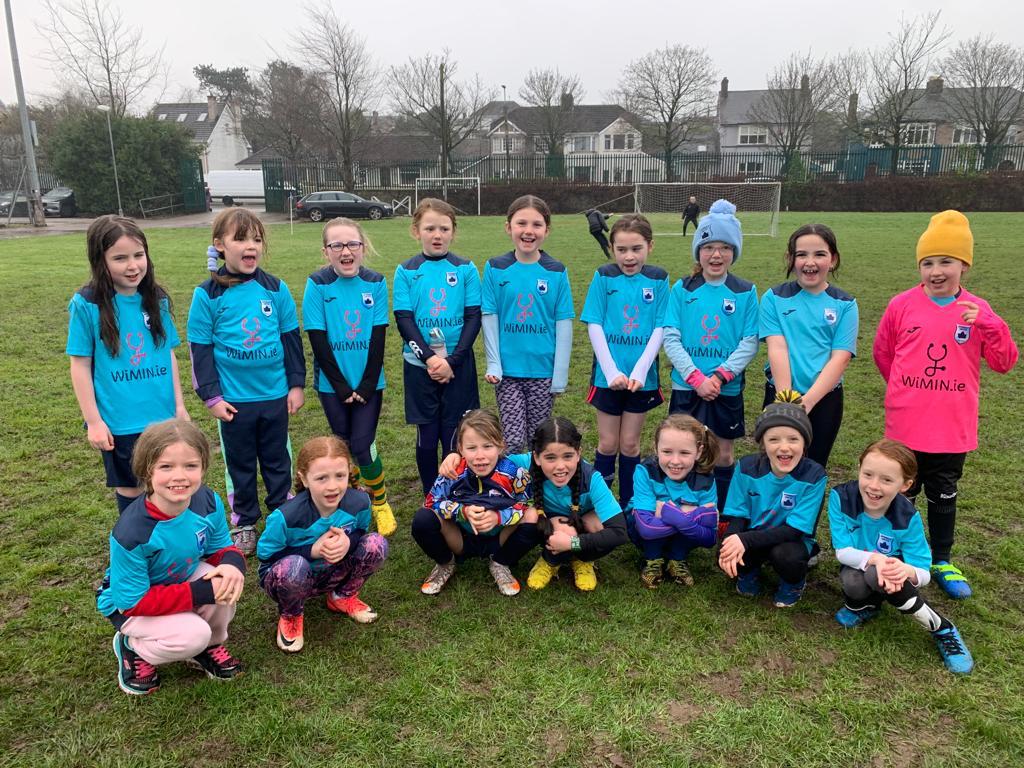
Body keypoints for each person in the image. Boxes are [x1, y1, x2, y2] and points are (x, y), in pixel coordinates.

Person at [873, 210, 1018, 599]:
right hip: (906, 424)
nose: (936, 271)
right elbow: (884, 354)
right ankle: (899, 552)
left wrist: (990, 324)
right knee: (899, 490)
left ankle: (941, 558)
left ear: (964, 266)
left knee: (943, 492)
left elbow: (1005, 362)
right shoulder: (901, 305)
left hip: (952, 426)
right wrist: (906, 391)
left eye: (946, 262)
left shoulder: (977, 311)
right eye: (928, 263)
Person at [97, 419, 245, 695]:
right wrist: (198, 592)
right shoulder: (133, 532)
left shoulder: (207, 501)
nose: (180, 476)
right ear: (147, 470)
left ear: (203, 466)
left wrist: (232, 565)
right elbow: (132, 601)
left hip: (177, 577)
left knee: (224, 585)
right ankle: (134, 648)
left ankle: (209, 647)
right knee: (192, 634)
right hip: (129, 603)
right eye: (166, 466)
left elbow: (220, 548)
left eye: (190, 465)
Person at [188, 209, 305, 555]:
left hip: (274, 395)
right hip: (234, 401)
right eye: (240, 238)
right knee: (239, 462)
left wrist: (296, 385)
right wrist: (212, 397)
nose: (250, 245)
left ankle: (283, 513)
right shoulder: (207, 295)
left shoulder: (276, 289)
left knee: (277, 459)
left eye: (256, 238)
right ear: (220, 245)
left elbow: (291, 340)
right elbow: (201, 350)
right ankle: (244, 522)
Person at [67, 215, 189, 515]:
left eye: (138, 255)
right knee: (133, 491)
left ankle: (171, 551)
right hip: (120, 422)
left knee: (168, 483)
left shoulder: (155, 298)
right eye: (120, 258)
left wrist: (180, 406)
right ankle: (135, 552)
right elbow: (79, 365)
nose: (133, 266)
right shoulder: (87, 304)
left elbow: (167, 354)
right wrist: (94, 421)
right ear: (100, 260)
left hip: (162, 418)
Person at [828, 439, 974, 674]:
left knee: (881, 573)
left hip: (891, 574)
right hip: (860, 566)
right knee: (853, 582)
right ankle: (868, 606)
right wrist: (876, 558)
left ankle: (942, 628)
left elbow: (923, 572)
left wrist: (907, 571)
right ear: (859, 469)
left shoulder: (907, 517)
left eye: (887, 480)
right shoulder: (840, 497)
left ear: (905, 485)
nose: (874, 486)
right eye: (868, 474)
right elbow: (843, 552)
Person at [663, 199, 759, 513]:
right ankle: (683, 505)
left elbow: (750, 341)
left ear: (734, 252)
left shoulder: (745, 291)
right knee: (682, 449)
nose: (716, 255)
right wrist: (696, 377)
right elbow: (671, 337)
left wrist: (719, 376)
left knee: (724, 454)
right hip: (687, 386)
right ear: (698, 252)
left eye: (725, 248)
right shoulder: (683, 288)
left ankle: (718, 511)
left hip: (725, 387)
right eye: (708, 247)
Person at [303, 217, 396, 536]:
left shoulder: (376, 282)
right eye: (337, 245)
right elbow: (317, 337)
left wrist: (368, 383)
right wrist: (341, 385)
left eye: (352, 244)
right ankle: (355, 499)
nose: (346, 251)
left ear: (362, 247)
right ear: (326, 251)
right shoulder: (317, 283)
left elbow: (379, 334)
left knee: (362, 442)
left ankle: (381, 502)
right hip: (333, 385)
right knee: (343, 445)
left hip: (370, 383)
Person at [257, 436, 388, 653]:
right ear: (304, 479)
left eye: (340, 476)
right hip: (290, 578)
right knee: (294, 566)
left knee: (376, 543)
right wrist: (312, 551)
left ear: (349, 472)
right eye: (321, 478)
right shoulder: (285, 517)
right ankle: (291, 614)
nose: (332, 486)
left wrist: (349, 542)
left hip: (334, 572)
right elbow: (266, 558)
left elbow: (361, 532)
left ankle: (342, 596)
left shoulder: (360, 502)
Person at [393, 198, 482, 493]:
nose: (437, 235)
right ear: (415, 231)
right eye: (429, 228)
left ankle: (455, 490)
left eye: (444, 228)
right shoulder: (405, 271)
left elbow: (473, 318)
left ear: (453, 232)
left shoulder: (466, 269)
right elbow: (404, 320)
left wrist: (452, 361)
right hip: (420, 367)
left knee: (456, 435)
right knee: (428, 436)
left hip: (459, 366)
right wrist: (431, 359)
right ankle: (432, 494)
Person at [581, 213, 669, 507]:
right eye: (621, 250)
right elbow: (594, 323)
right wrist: (611, 370)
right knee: (607, 443)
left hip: (641, 380)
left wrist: (641, 370)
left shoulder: (658, 279)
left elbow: (660, 327)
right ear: (611, 248)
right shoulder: (604, 276)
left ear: (650, 246)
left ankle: (630, 504)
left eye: (636, 249)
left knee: (630, 444)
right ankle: (601, 505)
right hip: (608, 378)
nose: (629, 256)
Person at [759, 224, 858, 468]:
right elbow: (777, 348)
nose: (809, 262)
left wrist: (809, 402)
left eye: (819, 254)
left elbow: (840, 358)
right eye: (801, 254)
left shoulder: (845, 304)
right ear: (790, 259)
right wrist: (786, 401)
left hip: (825, 400)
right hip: (780, 395)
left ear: (833, 259)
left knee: (813, 469)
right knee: (776, 466)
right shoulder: (774, 298)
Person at [482, 196, 574, 452]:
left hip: (543, 372)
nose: (528, 231)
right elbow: (489, 318)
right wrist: (494, 363)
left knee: (539, 439)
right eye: (521, 223)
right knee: (512, 441)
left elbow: (563, 323)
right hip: (508, 373)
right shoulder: (495, 268)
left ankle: (537, 488)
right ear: (508, 227)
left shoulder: (556, 270)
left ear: (547, 230)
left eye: (537, 224)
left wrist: (560, 373)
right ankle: (515, 489)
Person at [412, 409, 537, 596]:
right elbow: (431, 502)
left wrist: (498, 517)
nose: (480, 455)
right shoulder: (452, 471)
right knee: (423, 519)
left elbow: (529, 502)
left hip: (500, 537)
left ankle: (501, 562)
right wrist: (462, 511)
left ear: (501, 445)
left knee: (534, 517)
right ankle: (445, 563)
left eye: (488, 446)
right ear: (460, 449)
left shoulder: (514, 473)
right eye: (472, 448)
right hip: (460, 538)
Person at [719, 402, 827, 608]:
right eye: (774, 439)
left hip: (790, 540)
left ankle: (793, 583)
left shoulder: (814, 476)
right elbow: (737, 515)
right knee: (726, 548)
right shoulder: (746, 467)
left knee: (787, 557)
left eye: (793, 439)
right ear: (763, 444)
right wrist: (729, 543)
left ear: (804, 443)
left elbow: (795, 530)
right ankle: (749, 573)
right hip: (755, 533)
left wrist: (744, 540)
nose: (784, 447)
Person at [629, 414, 719, 589]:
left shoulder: (706, 480)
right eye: (667, 452)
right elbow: (646, 528)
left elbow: (710, 537)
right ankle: (653, 558)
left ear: (699, 451)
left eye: (685, 453)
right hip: (647, 535)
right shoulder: (645, 471)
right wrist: (692, 514)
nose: (675, 461)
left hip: (672, 529)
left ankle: (677, 559)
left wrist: (665, 512)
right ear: (656, 448)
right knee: (636, 519)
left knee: (663, 519)